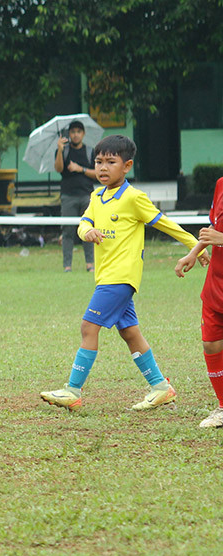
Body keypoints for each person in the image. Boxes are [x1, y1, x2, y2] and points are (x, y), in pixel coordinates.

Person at [41, 135, 206, 412]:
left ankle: (73, 390)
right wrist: (87, 231)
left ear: (126, 166)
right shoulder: (96, 196)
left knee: (88, 327)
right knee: (130, 333)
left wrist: (195, 247)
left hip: (121, 278)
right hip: (105, 277)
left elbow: (166, 224)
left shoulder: (134, 198)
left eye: (110, 162)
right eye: (98, 162)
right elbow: (82, 224)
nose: (103, 168)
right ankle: (161, 387)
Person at [175, 176, 223, 427]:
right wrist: (193, 253)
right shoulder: (220, 185)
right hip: (216, 284)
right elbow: (213, 229)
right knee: (211, 344)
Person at [55, 120, 98, 273]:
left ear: (83, 134)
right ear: (69, 134)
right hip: (68, 196)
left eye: (78, 132)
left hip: (86, 195)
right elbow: (58, 168)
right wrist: (59, 150)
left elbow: (97, 174)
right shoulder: (64, 150)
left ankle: (90, 264)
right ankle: (67, 266)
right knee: (67, 231)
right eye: (72, 132)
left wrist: (81, 169)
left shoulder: (90, 152)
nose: (75, 135)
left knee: (88, 230)